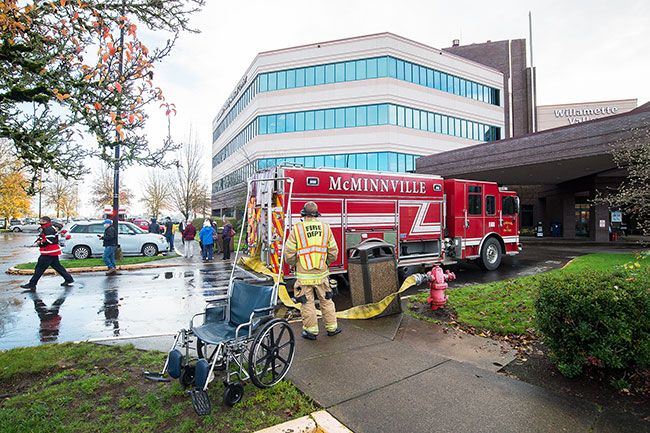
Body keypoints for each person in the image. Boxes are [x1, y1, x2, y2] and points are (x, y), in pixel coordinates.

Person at [283, 202, 340, 340]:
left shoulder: (297, 229)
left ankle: (311, 331)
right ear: (316, 213)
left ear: (303, 213)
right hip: (322, 273)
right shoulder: (326, 228)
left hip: (304, 275)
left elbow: (289, 253)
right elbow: (334, 252)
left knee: (306, 302)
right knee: (326, 300)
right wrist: (326, 262)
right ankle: (332, 328)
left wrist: (295, 264)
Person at [20, 216, 74, 290]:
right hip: (51, 252)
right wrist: (37, 241)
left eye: (41, 221)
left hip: (48, 252)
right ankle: (69, 279)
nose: (39, 222)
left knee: (39, 268)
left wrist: (40, 243)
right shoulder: (47, 228)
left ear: (45, 221)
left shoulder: (48, 229)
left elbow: (49, 240)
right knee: (58, 267)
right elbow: (42, 237)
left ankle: (32, 284)